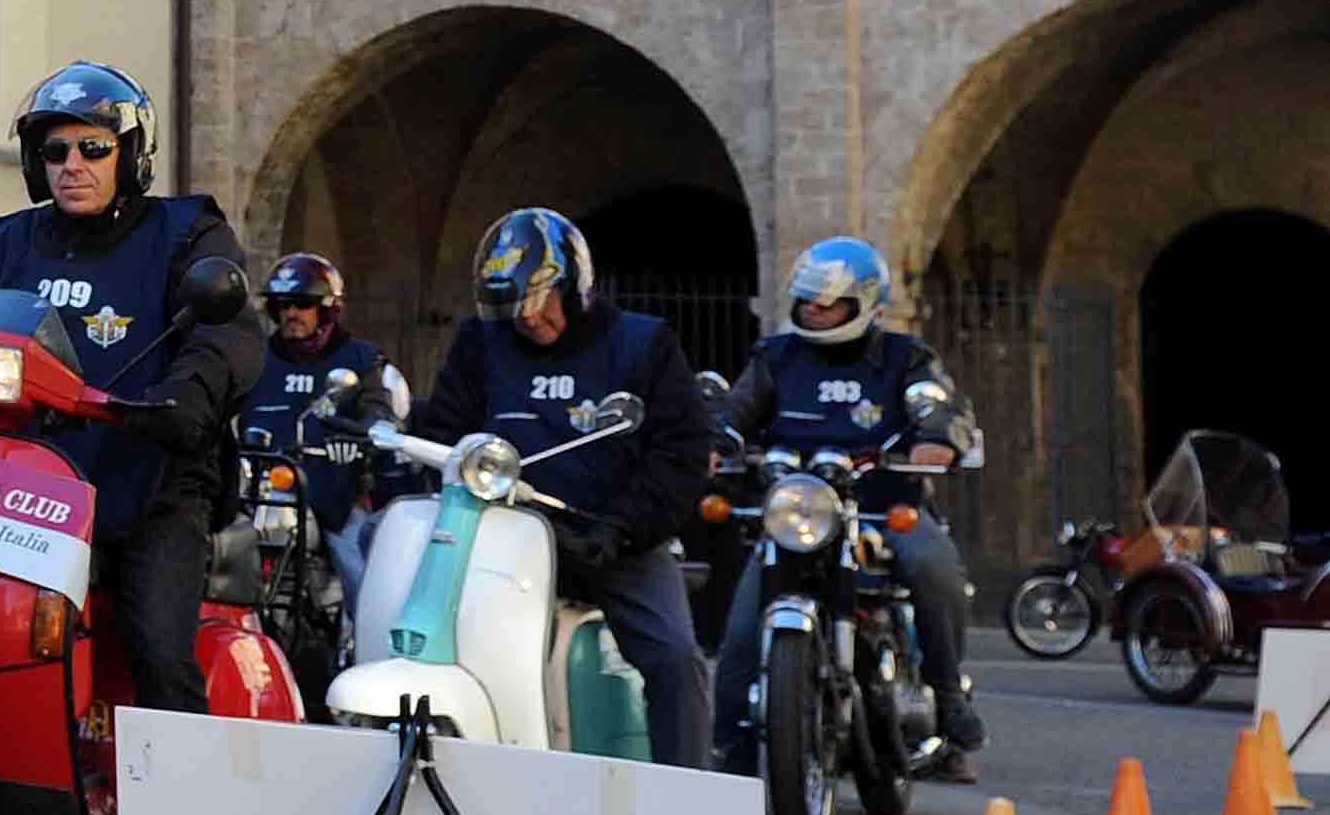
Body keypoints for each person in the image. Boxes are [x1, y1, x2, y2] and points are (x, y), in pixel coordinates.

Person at [0, 63, 260, 716]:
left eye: (93, 147)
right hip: (26, 485)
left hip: (150, 480)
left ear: (131, 154)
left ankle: (181, 779)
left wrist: (189, 392)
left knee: (159, 651)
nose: (72, 165)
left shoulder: (187, 232)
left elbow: (227, 334)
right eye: (55, 151)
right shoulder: (17, 240)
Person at [405, 209, 713, 767]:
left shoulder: (644, 344)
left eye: (540, 301)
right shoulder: (480, 342)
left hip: (613, 543)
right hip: (501, 540)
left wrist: (621, 527)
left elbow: (682, 452)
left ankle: (688, 791)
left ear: (575, 287)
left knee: (674, 657)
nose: (528, 318)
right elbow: (445, 433)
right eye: (514, 307)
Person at [710, 236, 987, 780]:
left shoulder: (905, 358)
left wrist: (938, 438)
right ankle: (729, 758)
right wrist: (713, 442)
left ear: (864, 304)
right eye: (806, 299)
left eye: (827, 302)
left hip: (883, 507)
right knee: (740, 633)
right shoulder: (775, 358)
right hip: (797, 515)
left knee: (934, 567)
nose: (813, 309)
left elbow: (939, 405)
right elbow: (735, 411)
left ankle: (948, 694)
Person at [241, 252, 407, 603]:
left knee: (364, 580)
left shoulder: (359, 358)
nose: (291, 313)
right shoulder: (256, 359)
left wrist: (360, 436)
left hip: (334, 496)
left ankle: (363, 633)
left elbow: (378, 411)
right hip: (260, 496)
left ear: (327, 308)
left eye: (302, 304)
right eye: (283, 305)